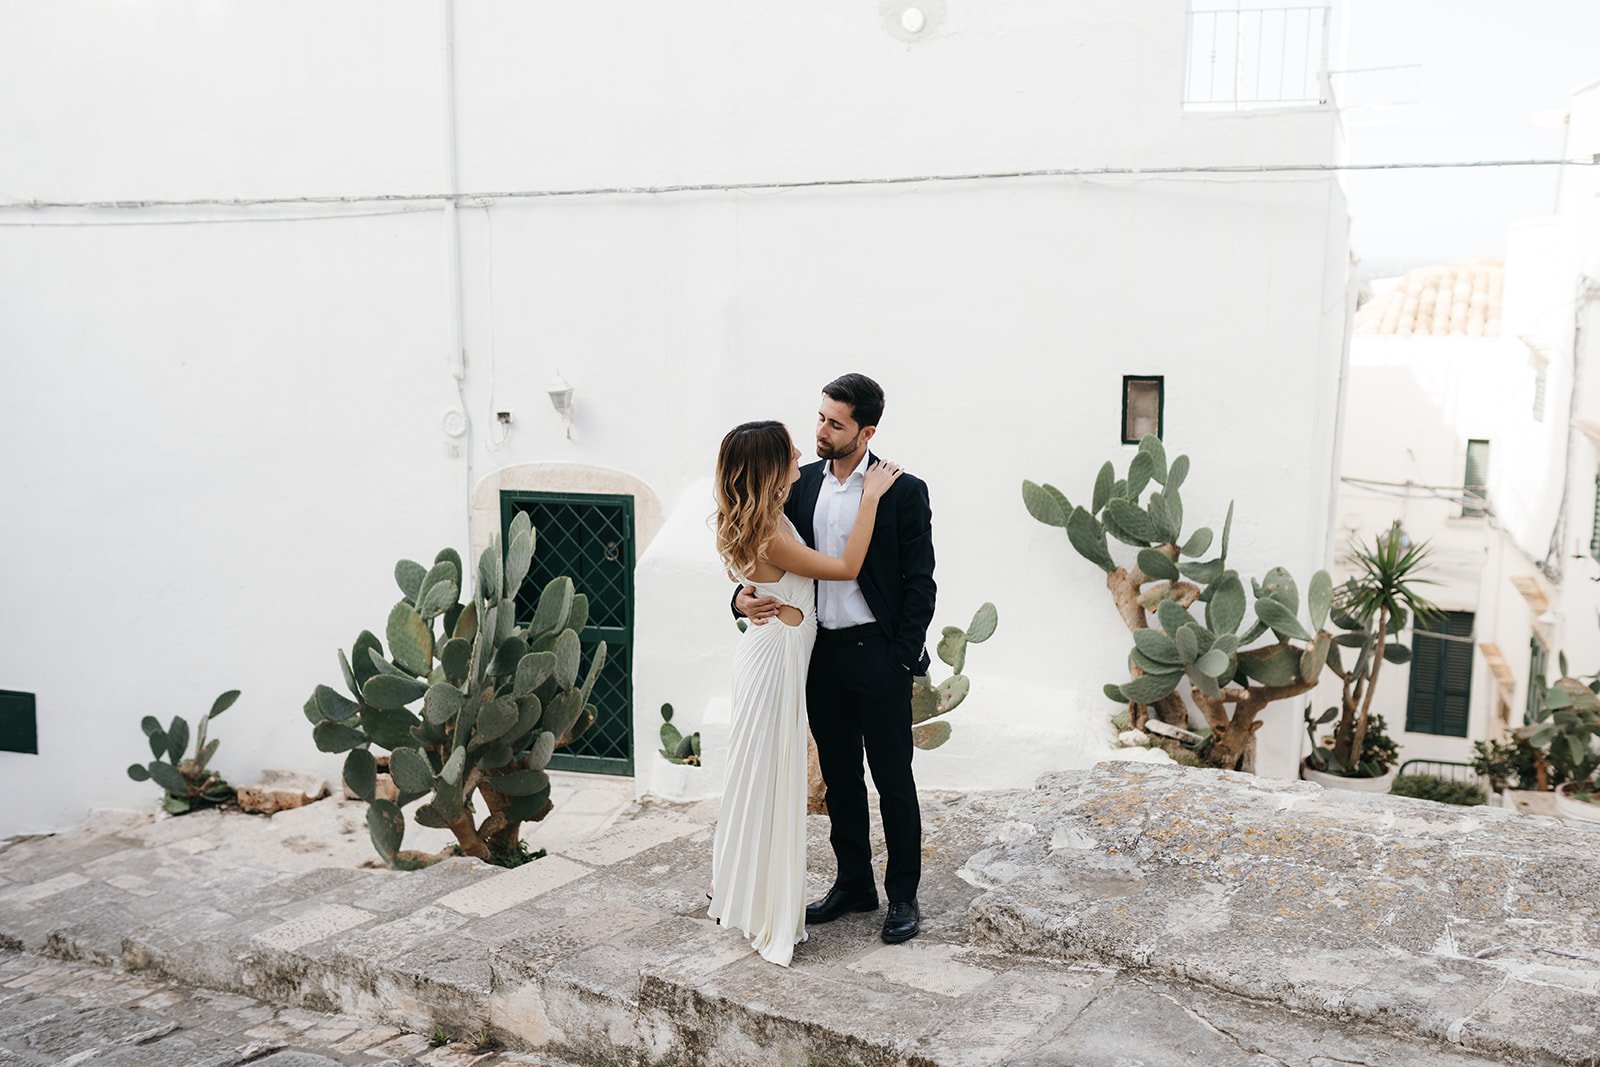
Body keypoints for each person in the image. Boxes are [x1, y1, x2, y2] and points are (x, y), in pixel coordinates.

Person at [734, 373, 936, 946]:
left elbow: (920, 583)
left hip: (879, 655)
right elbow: (759, 550)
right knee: (840, 778)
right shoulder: (797, 484)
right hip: (817, 654)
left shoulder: (902, 490)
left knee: (893, 778)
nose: (820, 430)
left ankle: (902, 896)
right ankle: (853, 884)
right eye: (820, 417)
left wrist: (900, 658)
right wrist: (738, 597)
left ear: (865, 431)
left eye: (835, 423)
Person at [709, 418, 902, 966]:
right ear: (771, 469)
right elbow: (844, 567)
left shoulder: (763, 517)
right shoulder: (770, 529)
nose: (803, 449)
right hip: (777, 659)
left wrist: (748, 599)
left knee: (763, 775)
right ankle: (764, 905)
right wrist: (869, 498)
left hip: (775, 651)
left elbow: (753, 582)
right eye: (789, 449)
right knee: (771, 777)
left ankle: (752, 897)